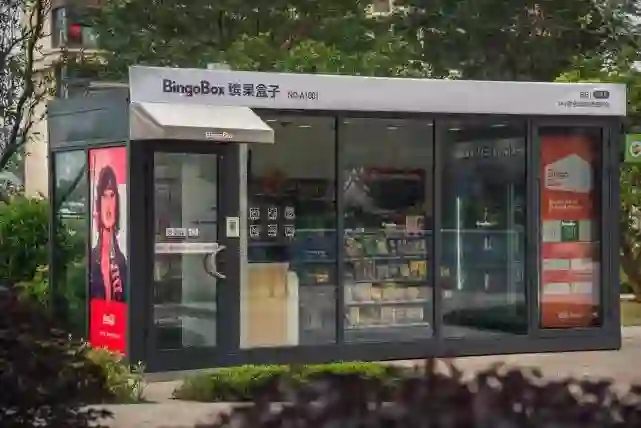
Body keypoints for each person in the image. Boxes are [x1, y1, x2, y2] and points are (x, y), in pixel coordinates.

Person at [90, 165, 127, 302]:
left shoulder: (121, 262)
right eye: (104, 196)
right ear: (98, 203)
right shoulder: (91, 258)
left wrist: (122, 292)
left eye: (112, 196)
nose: (108, 205)